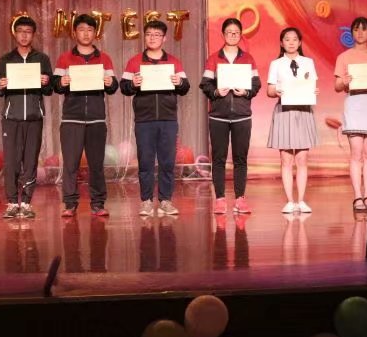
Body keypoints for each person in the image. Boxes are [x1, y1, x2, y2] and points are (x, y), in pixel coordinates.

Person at [120, 20, 190, 216]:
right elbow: (123, 87)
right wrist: (133, 84)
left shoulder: (174, 62)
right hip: (144, 120)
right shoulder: (134, 61)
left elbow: (185, 87)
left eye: (157, 34)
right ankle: (146, 201)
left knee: (167, 162)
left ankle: (166, 201)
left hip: (168, 119)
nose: (152, 38)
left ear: (164, 38)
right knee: (146, 162)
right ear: (145, 36)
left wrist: (179, 82)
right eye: (149, 34)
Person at [53, 14, 119, 217]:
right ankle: (70, 203)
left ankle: (98, 203)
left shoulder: (104, 58)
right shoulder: (65, 58)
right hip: (71, 118)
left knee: (96, 164)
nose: (86, 33)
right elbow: (55, 85)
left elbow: (113, 87)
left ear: (95, 33)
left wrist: (110, 83)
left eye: (90, 30)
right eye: (81, 29)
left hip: (96, 119)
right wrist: (62, 82)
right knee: (70, 164)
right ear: (75, 33)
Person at [0, 15, 53, 219]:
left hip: (34, 117)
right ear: (15, 34)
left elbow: (49, 90)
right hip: (12, 118)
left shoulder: (42, 59)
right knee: (11, 161)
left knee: (30, 161)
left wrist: (46, 82)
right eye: (20, 32)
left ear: (33, 35)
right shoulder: (6, 59)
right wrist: (1, 84)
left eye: (28, 32)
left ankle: (26, 203)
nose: (24, 35)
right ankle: (11, 202)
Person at [199, 18, 261, 215]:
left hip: (242, 116)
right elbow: (205, 84)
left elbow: (256, 84)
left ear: (241, 35)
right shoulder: (213, 58)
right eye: (229, 32)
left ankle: (240, 199)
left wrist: (246, 92)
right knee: (218, 159)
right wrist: (217, 92)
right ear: (223, 34)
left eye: (236, 32)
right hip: (218, 116)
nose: (233, 35)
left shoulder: (248, 58)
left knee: (240, 159)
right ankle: (219, 199)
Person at [333, 16, 367, 211]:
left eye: (364, 29)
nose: (360, 32)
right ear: (352, 32)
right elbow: (337, 86)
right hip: (354, 103)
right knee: (356, 153)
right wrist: (344, 81)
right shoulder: (344, 57)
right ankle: (357, 196)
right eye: (356, 29)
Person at [266, 27, 319, 214]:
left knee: (302, 158)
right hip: (285, 111)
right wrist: (276, 91)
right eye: (287, 39)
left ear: (300, 42)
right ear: (282, 43)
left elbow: (312, 85)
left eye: (295, 39)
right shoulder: (276, 64)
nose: (291, 42)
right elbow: (269, 90)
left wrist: (314, 91)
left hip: (303, 111)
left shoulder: (308, 62)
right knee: (286, 159)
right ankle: (289, 201)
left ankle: (302, 201)